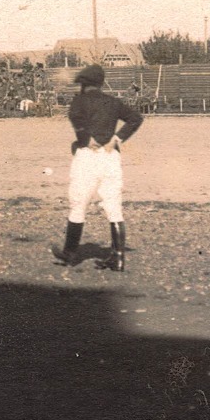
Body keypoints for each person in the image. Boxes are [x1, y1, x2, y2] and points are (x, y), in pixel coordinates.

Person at [53, 64, 143, 271]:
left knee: (78, 205)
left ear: (84, 84)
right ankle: (118, 257)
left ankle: (70, 255)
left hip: (87, 156)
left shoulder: (79, 101)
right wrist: (117, 138)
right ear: (101, 83)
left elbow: (77, 121)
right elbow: (135, 118)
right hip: (110, 157)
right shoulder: (112, 102)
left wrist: (86, 139)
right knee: (113, 206)